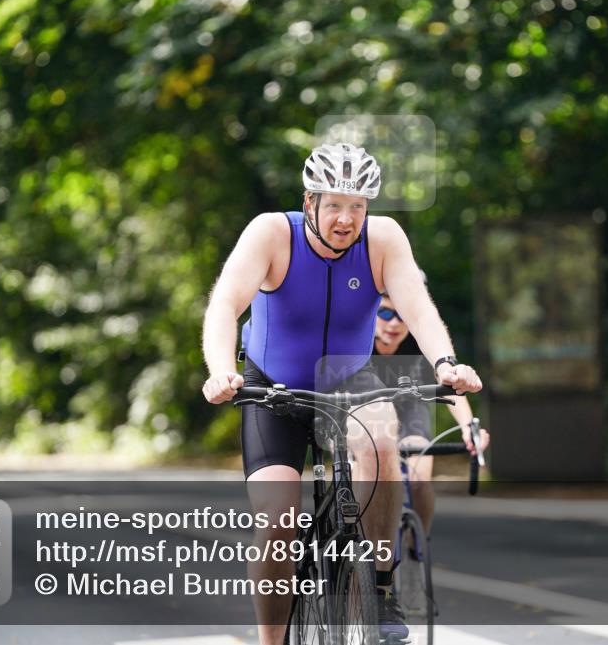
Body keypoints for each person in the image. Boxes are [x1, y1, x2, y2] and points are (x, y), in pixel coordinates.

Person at [201, 142, 482, 645]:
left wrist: (446, 363)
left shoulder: (383, 239)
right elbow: (225, 304)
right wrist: (222, 372)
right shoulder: (272, 234)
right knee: (277, 522)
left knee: (383, 440)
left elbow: (419, 309)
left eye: (358, 206)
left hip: (349, 380)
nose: (347, 219)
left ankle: (380, 588)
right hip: (273, 389)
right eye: (334, 205)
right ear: (310, 203)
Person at [371, 278, 490, 535]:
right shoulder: (356, 340)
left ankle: (418, 543)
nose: (394, 323)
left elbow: (448, 384)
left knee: (418, 481)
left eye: (402, 315)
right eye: (385, 313)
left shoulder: (420, 339)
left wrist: (467, 427)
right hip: (367, 411)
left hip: (411, 408)